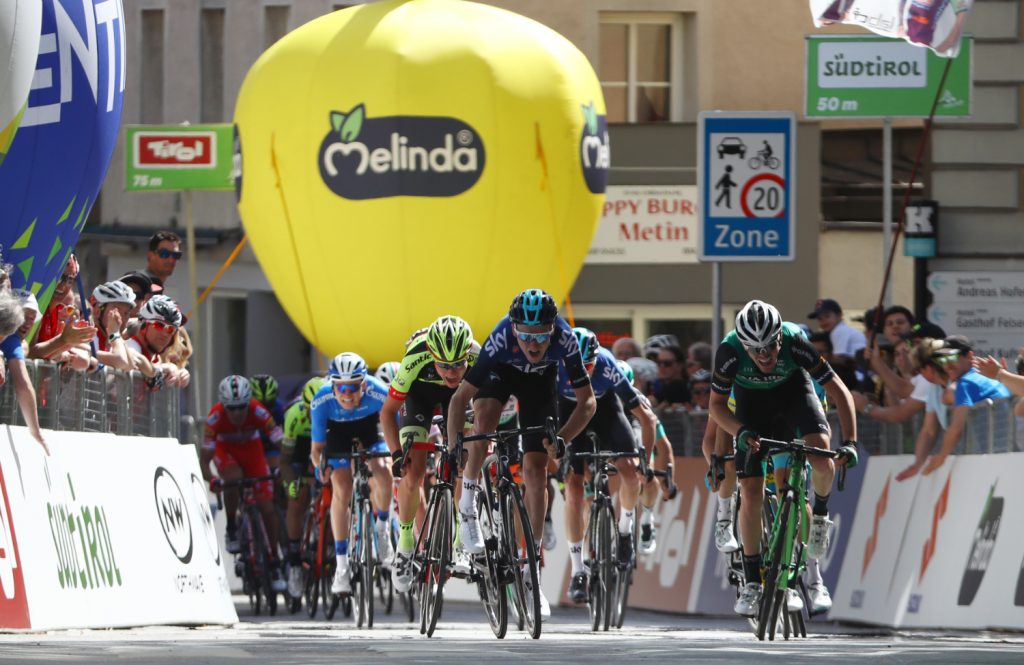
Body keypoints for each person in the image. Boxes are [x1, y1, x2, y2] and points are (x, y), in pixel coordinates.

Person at [446, 288, 596, 618]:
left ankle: (532, 574)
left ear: (552, 330)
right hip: (500, 377)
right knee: (484, 415)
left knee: (536, 470)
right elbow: (460, 399)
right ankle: (468, 506)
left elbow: (587, 401)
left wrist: (563, 438)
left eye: (541, 336)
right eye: (525, 335)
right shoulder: (500, 336)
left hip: (539, 388)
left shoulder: (566, 338)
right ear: (514, 328)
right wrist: (456, 442)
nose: (533, 344)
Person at [710, 300, 858, 617]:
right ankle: (752, 583)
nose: (764, 355)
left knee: (820, 452)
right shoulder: (729, 351)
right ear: (743, 345)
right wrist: (740, 432)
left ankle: (818, 515)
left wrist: (850, 442)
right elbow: (717, 409)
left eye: (770, 347)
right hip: (751, 405)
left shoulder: (794, 342)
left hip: (794, 395)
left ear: (780, 338)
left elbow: (839, 392)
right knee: (750, 492)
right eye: (756, 349)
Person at [560, 328, 657, 604]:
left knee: (628, 468)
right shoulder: (555, 368)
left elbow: (647, 419)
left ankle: (625, 532)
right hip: (568, 411)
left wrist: (645, 462)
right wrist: (557, 457)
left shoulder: (606, 364)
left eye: (587, 366)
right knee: (574, 486)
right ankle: (578, 571)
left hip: (605, 411)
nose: (582, 371)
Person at [381, 316, 476, 594]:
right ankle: (406, 543)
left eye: (459, 364)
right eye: (444, 365)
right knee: (414, 471)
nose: (452, 371)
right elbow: (387, 412)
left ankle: (461, 543)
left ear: (467, 355)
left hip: (459, 399)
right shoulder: (415, 357)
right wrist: (396, 454)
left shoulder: (478, 357)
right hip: (419, 396)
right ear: (431, 354)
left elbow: (486, 407)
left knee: (464, 462)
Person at [310, 352, 394, 596]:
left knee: (383, 470)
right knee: (342, 487)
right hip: (337, 433)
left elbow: (394, 430)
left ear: (364, 384)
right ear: (332, 385)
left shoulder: (379, 392)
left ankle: (382, 528)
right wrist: (320, 468)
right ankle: (342, 566)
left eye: (353, 387)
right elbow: (316, 450)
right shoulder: (321, 400)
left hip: (370, 427)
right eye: (341, 387)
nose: (347, 393)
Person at [202, 375, 287, 592]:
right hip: (227, 452)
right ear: (223, 405)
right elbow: (204, 460)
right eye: (232, 408)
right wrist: (212, 480)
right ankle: (231, 526)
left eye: (242, 407)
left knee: (267, 508)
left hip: (253, 451)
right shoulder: (215, 418)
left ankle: (274, 560)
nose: (238, 413)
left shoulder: (259, 411)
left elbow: (281, 443)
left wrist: (282, 468)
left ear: (249, 403)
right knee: (232, 478)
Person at [920, 336, 1011, 476]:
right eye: (942, 360)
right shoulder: (985, 376)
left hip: (1004, 454)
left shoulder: (965, 383)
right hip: (1010, 451)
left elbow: (956, 428)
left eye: (952, 358)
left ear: (969, 356)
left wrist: (940, 458)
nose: (947, 365)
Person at [279, 376, 325, 598]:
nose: (313, 414)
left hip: (324, 447)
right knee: (297, 497)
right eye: (310, 410)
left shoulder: (335, 410)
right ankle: (295, 561)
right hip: (300, 449)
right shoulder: (294, 416)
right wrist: (291, 484)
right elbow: (285, 461)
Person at [0, 288, 49, 454]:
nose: (28, 324)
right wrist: (36, 432)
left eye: (32, 319)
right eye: (24, 316)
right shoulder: (11, 339)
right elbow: (24, 386)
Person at [126, 295, 190, 388]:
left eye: (170, 329)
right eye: (159, 325)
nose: (165, 333)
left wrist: (179, 372)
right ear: (143, 325)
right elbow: (133, 356)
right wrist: (161, 369)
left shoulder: (156, 358)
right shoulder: (133, 345)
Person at [807, 298, 865, 377]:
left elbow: (838, 359)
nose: (823, 321)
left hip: (859, 372)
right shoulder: (842, 330)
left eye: (827, 316)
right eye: (820, 318)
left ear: (839, 315)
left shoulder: (839, 331)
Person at [88, 281, 136, 372]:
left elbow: (130, 365)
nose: (121, 317)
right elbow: (121, 361)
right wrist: (114, 333)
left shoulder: (114, 341)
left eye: (126, 313)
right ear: (97, 311)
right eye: (116, 310)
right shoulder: (87, 335)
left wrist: (117, 335)